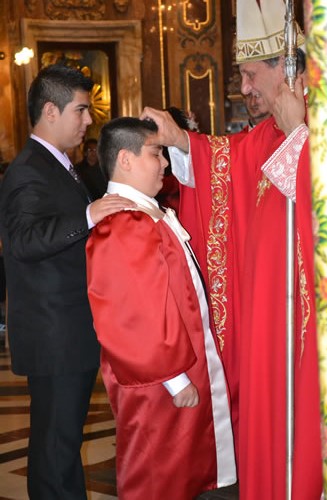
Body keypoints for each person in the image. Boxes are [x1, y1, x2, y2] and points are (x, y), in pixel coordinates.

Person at [140, 0, 323, 498]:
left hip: (309, 342)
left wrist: (304, 132)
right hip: (271, 340)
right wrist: (181, 140)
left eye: (249, 75)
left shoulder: (314, 129)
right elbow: (226, 165)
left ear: (284, 70)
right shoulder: (267, 134)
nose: (243, 89)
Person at [0, 64, 135, 499]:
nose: (89, 121)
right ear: (51, 111)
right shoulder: (27, 170)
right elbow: (22, 241)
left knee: (59, 446)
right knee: (56, 449)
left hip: (68, 331)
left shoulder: (59, 166)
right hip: (53, 333)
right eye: (81, 110)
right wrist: (87, 216)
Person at [86, 117, 237, 500]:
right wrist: (174, 377)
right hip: (159, 382)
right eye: (156, 153)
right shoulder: (124, 222)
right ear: (126, 159)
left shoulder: (142, 214)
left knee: (179, 475)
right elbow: (133, 312)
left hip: (174, 375)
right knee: (156, 478)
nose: (165, 163)